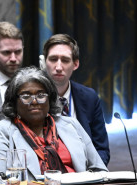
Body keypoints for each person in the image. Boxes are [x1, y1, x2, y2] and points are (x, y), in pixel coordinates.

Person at [0, 67, 107, 183]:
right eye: (26, 96)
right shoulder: (4, 130)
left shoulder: (71, 124)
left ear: (50, 99)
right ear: (14, 102)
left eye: (41, 95)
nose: (35, 101)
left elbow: (100, 171)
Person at [41, 34, 110, 166]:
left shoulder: (89, 97)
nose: (59, 67)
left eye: (65, 60)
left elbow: (101, 149)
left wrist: (92, 174)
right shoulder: (33, 99)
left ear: (75, 64)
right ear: (45, 62)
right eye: (53, 59)